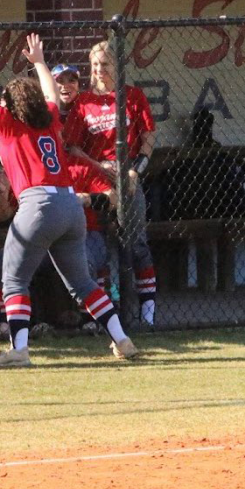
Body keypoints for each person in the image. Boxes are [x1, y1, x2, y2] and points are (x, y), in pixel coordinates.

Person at [0, 33, 138, 367]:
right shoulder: (51, 120)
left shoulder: (10, 124)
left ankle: (20, 349)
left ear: (11, 105)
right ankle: (121, 338)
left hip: (38, 205)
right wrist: (39, 62)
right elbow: (52, 93)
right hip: (70, 206)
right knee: (82, 282)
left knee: (12, 279)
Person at [63, 40, 159, 327]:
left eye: (105, 64)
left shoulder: (132, 96)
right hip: (96, 182)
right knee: (98, 243)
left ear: (117, 66)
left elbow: (148, 136)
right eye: (94, 65)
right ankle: (105, 312)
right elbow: (73, 147)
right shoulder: (84, 102)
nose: (99, 70)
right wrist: (99, 168)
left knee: (136, 244)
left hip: (128, 179)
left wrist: (135, 171)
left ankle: (147, 313)